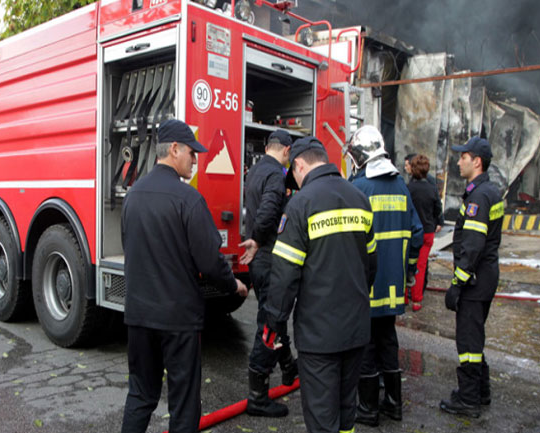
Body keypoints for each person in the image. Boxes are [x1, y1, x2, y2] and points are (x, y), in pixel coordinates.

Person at [120, 119, 248, 433]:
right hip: (178, 319)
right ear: (174, 149)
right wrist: (235, 286)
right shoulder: (188, 199)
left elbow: (131, 248)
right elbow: (209, 260)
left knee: (140, 395)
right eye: (192, 153)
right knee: (184, 403)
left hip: (138, 315)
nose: (195, 160)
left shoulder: (133, 196)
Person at [263, 136, 377, 433]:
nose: (296, 182)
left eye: (294, 175)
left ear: (299, 164)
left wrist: (273, 323)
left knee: (322, 417)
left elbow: (284, 276)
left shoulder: (300, 204)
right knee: (345, 412)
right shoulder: (359, 199)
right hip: (356, 329)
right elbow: (371, 267)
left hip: (319, 335)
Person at [347, 126, 423, 426]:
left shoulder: (360, 188)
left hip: (365, 285)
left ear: (361, 156)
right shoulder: (401, 187)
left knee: (365, 344)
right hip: (393, 286)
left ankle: (367, 409)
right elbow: (416, 233)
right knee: (388, 340)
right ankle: (393, 404)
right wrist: (410, 272)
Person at [439, 136, 503, 418]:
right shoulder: (489, 190)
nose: (458, 161)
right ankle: (480, 391)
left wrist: (457, 283)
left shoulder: (478, 196)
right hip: (486, 277)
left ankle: (468, 400)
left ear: (476, 161)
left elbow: (473, 246)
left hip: (475, 281)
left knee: (467, 343)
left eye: (463, 156)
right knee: (475, 337)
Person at [238, 129, 298, 417]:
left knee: (274, 316)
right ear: (286, 151)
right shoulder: (277, 174)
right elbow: (268, 211)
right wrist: (260, 239)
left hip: (259, 259)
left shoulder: (257, 170)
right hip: (270, 255)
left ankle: (288, 368)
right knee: (269, 322)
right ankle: (257, 396)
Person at [406, 154, 445, 312]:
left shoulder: (408, 189)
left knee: (406, 263)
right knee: (420, 266)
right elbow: (438, 209)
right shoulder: (432, 188)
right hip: (427, 232)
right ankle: (417, 300)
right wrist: (438, 223)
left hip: (412, 232)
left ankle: (403, 297)